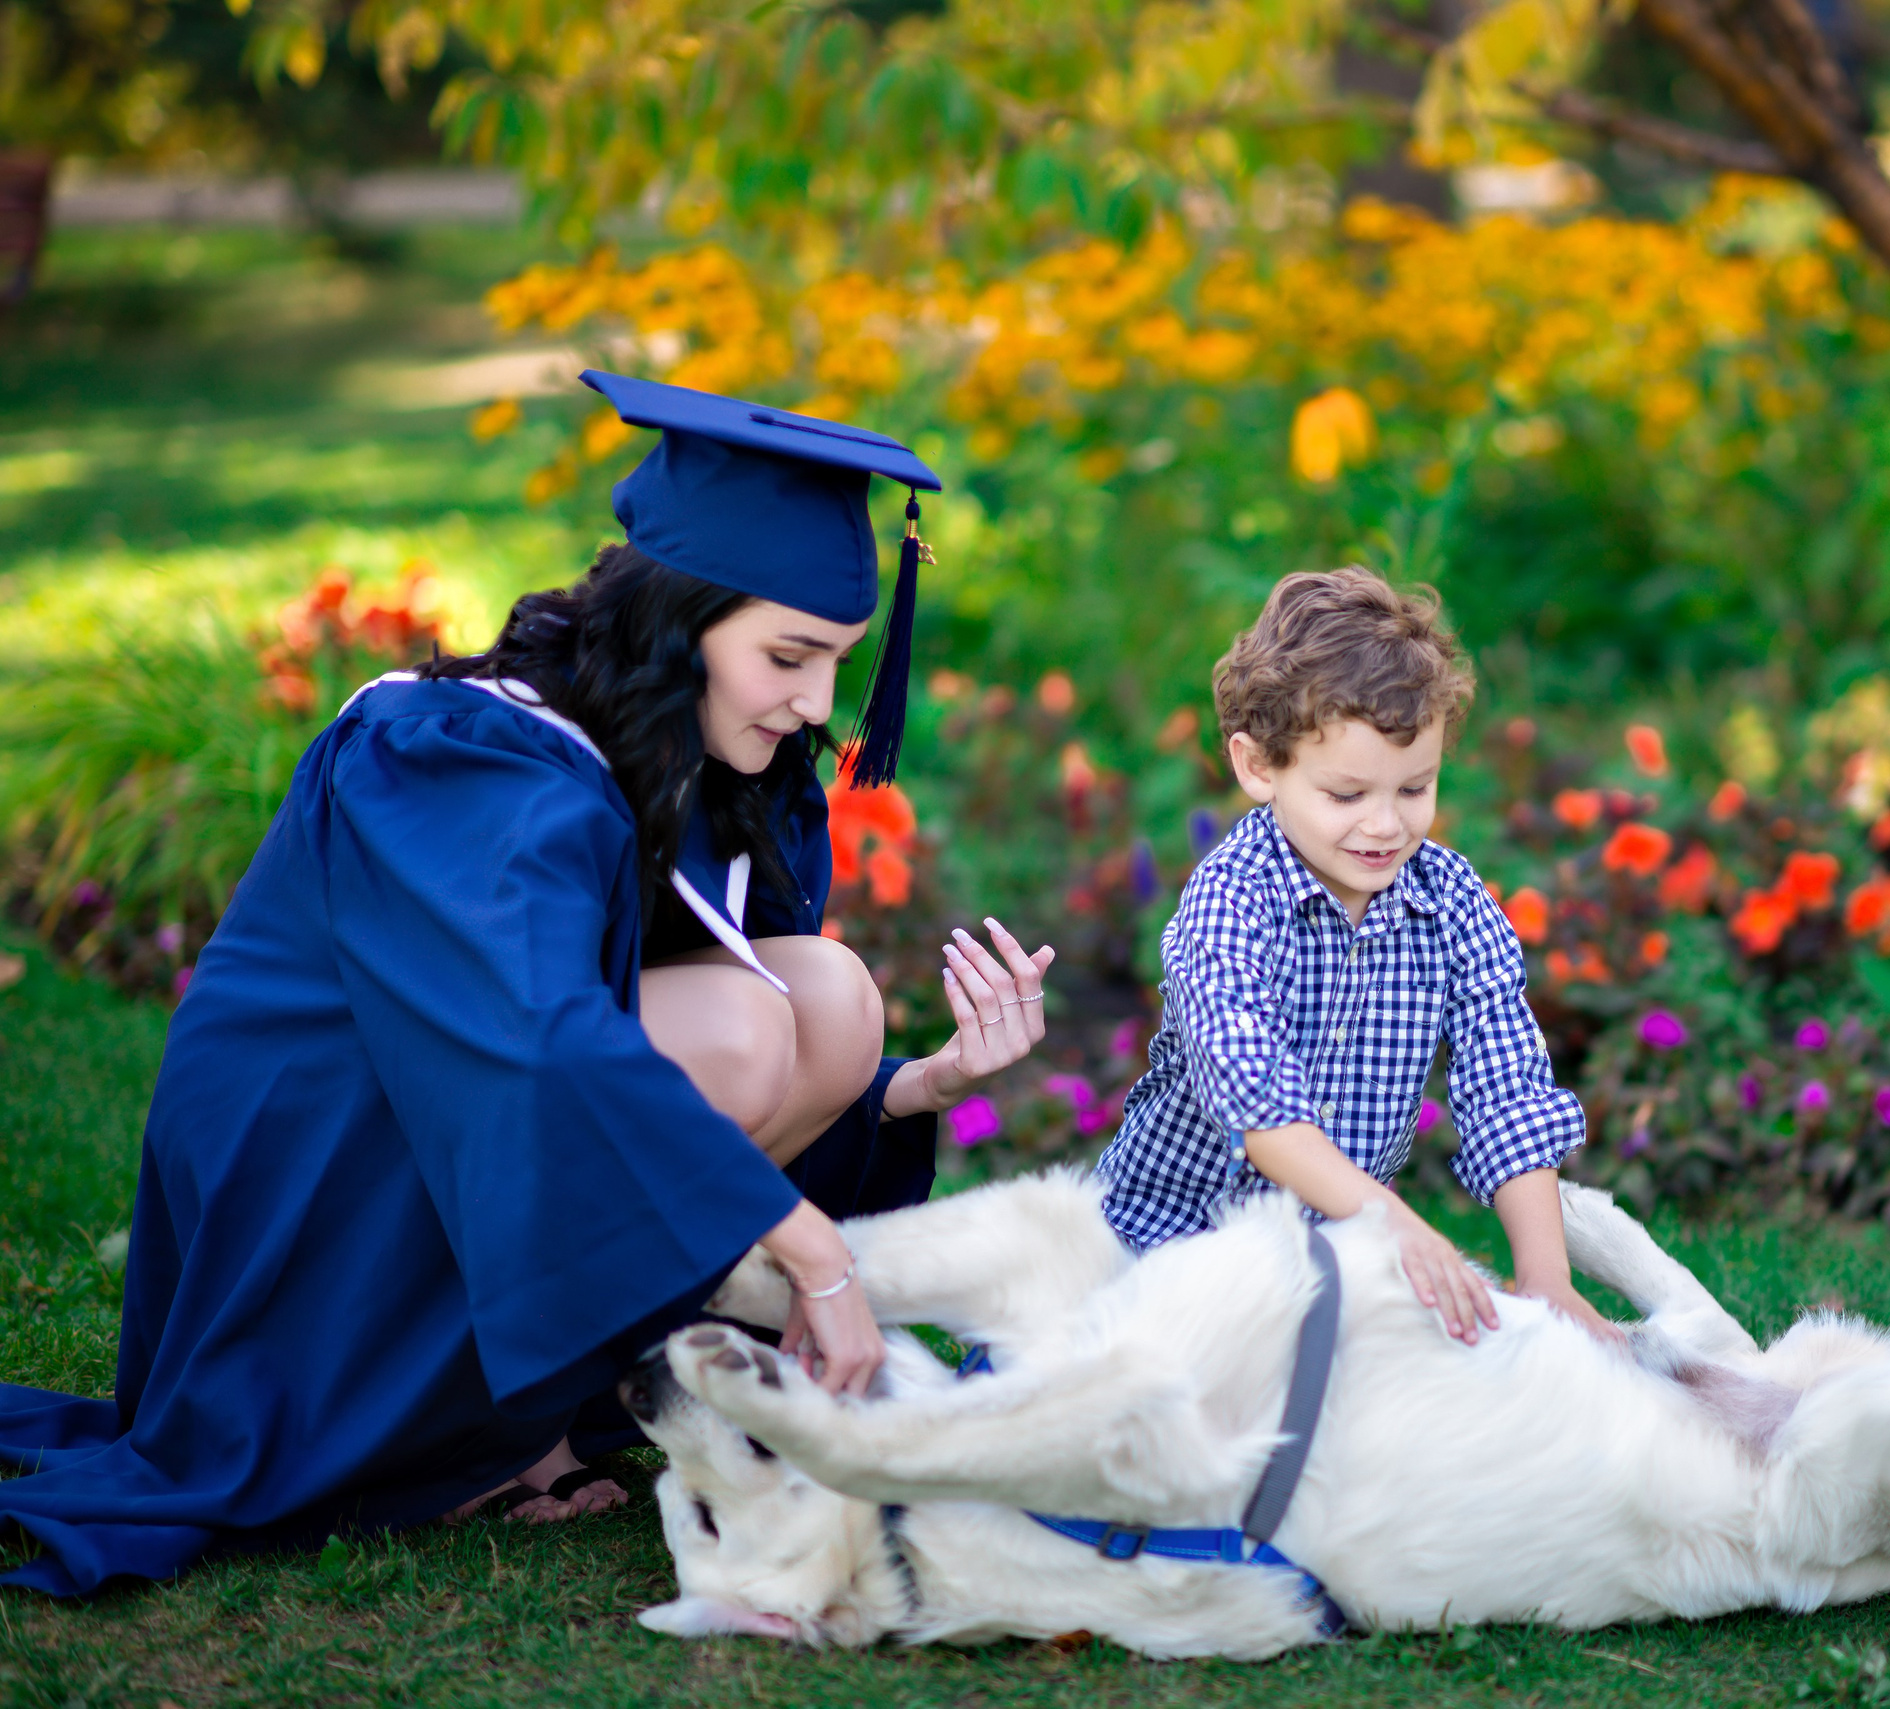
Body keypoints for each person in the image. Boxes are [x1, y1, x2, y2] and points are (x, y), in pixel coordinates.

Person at [0, 371, 1052, 1597]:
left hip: (461, 1129)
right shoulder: (462, 755)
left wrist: (918, 1088)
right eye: (789, 654)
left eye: (834, 661)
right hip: (324, 1157)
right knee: (751, 1029)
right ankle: (484, 1427)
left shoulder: (699, 748)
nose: (817, 702)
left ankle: (545, 1389)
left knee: (829, 999)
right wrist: (811, 1251)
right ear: (682, 615)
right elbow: (545, 1041)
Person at [1095, 567, 1616, 1344]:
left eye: (1415, 789)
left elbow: (1506, 1090)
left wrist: (1545, 1277)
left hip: (1326, 1254)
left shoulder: (1451, 902)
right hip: (1160, 1242)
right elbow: (1260, 1107)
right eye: (1347, 795)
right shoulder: (1229, 903)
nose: (1385, 826)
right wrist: (1398, 1226)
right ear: (1258, 766)